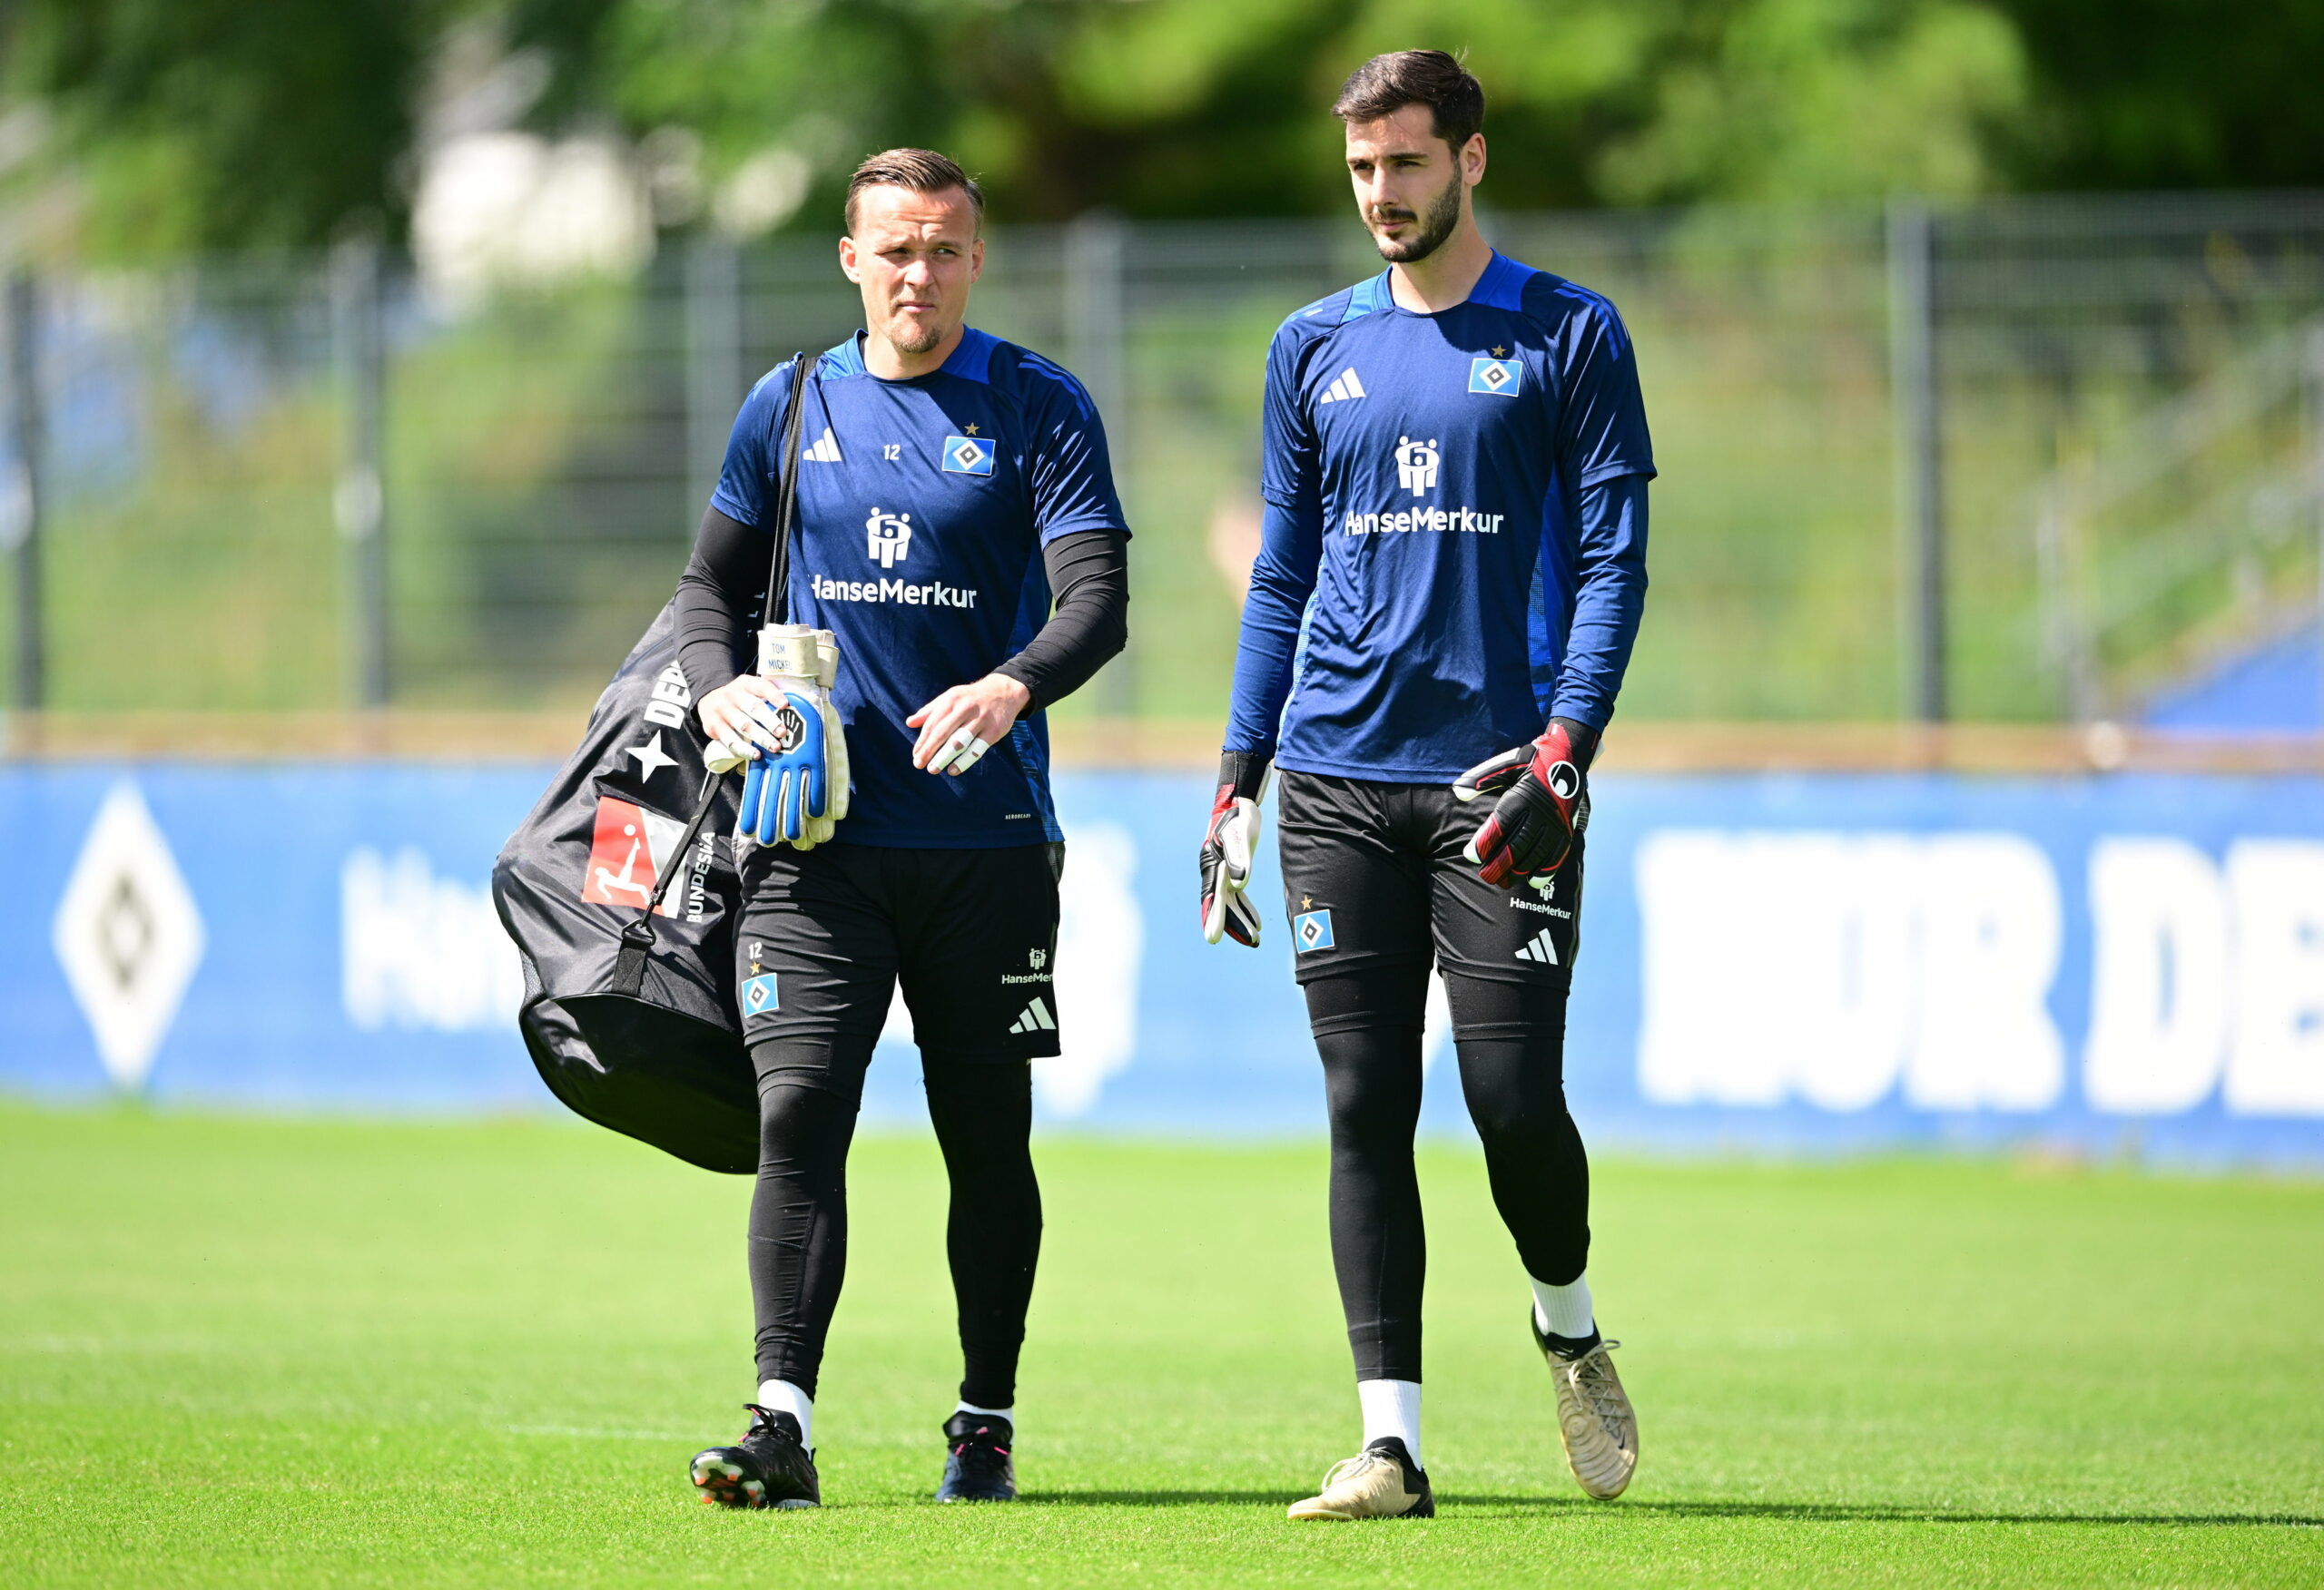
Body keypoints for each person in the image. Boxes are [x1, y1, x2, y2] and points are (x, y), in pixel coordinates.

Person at [1198, 51, 1653, 1521]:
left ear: (1468, 157)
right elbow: (1281, 577)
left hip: (1498, 786)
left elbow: (1608, 564)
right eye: (1360, 170)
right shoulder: (1309, 348)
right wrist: (1236, 777)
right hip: (1334, 778)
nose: (1379, 194)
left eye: (1404, 164)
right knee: (1362, 1100)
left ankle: (1568, 1321)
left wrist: (1567, 751)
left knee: (1512, 1098)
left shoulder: (1570, 334)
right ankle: (1389, 1445)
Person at [675, 147, 1130, 1509]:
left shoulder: (1038, 403)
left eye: (942, 248)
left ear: (974, 259)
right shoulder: (790, 400)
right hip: (815, 845)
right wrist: (721, 697)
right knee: (802, 1108)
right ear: (850, 259)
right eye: (893, 248)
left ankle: (982, 1420)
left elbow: (1095, 598)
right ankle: (779, 1422)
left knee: (985, 1136)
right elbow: (707, 589)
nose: (916, 272)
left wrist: (1010, 684)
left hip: (987, 846)